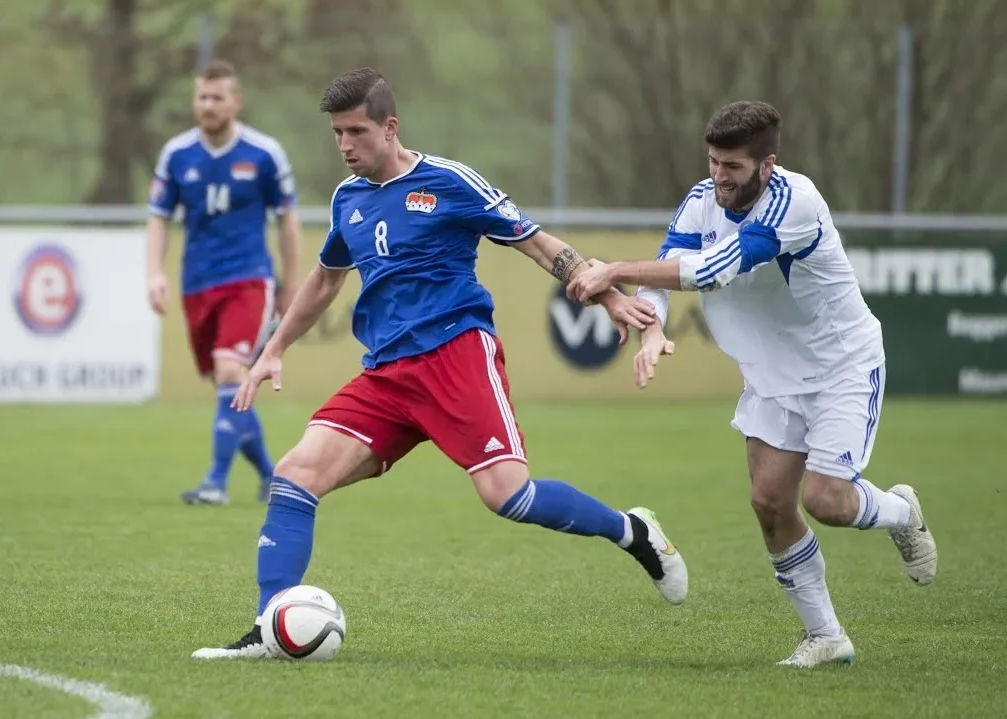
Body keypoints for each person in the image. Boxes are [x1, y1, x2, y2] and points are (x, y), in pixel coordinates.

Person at [191, 67, 689, 660]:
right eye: (336, 135)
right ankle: (268, 628)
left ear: (390, 127)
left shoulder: (449, 182)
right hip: (386, 374)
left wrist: (607, 294)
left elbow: (536, 242)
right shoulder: (347, 199)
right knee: (295, 476)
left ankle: (632, 531)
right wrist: (273, 348)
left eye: (356, 131)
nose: (345, 146)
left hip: (456, 355)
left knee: (509, 496)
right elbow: (326, 277)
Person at [567, 100, 938, 668]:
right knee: (769, 502)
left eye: (733, 167)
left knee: (827, 501)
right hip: (771, 377)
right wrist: (650, 329)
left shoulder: (795, 203)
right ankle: (826, 636)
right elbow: (669, 268)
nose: (719, 176)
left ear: (767, 164)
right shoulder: (701, 199)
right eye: (714, 161)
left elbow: (713, 270)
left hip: (841, 366)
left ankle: (901, 514)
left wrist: (614, 270)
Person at [145, 59, 303, 506]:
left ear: (236, 101)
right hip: (197, 283)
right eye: (201, 97)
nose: (208, 105)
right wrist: (155, 272)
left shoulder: (263, 153)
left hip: (249, 279)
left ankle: (215, 482)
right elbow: (158, 218)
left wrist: (291, 285)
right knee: (226, 384)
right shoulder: (177, 154)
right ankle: (273, 476)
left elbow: (288, 221)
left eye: (217, 97)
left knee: (231, 369)